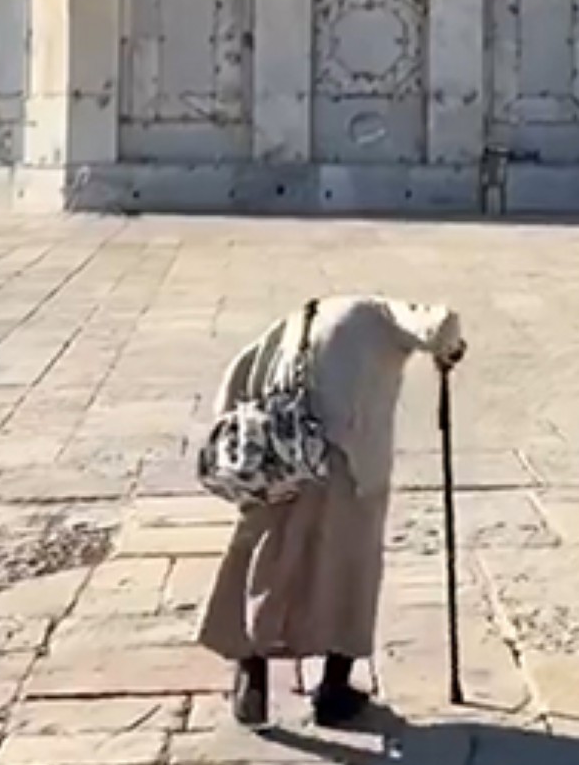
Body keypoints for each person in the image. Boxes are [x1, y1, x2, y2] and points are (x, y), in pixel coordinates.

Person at [198, 296, 465, 727]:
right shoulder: (380, 314)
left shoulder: (290, 321)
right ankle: (333, 689)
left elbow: (236, 380)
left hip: (281, 456)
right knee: (351, 565)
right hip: (349, 461)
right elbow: (441, 325)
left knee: (266, 559)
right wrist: (450, 350)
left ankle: (251, 674)